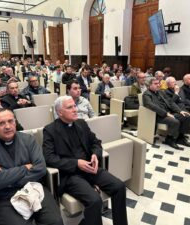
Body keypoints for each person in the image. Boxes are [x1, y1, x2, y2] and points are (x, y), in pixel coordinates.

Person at [43, 95, 128, 225]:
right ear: (60, 112)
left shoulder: (81, 123)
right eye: (70, 107)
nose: (75, 109)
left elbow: (96, 142)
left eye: (74, 106)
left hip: (90, 168)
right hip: (71, 175)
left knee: (119, 187)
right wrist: (76, 163)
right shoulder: (50, 130)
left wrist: (95, 154)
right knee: (94, 200)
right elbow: (49, 158)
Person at [0, 108, 63, 225]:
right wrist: (25, 167)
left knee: (55, 221)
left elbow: (40, 168)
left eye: (10, 121)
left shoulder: (28, 140)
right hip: (5, 197)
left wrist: (6, 175)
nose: (8, 126)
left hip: (34, 188)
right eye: (1, 123)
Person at [143, 78, 190, 150]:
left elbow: (170, 102)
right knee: (175, 122)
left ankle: (180, 137)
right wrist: (166, 113)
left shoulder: (161, 92)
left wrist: (179, 111)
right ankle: (170, 139)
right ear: (149, 85)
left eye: (158, 83)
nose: (158, 85)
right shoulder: (146, 94)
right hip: (158, 115)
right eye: (155, 84)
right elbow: (151, 105)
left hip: (169, 113)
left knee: (186, 116)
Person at [165, 77, 190, 144]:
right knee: (187, 115)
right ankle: (181, 137)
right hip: (176, 109)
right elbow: (170, 103)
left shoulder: (180, 90)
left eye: (175, 82)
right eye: (173, 82)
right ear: (168, 84)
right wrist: (176, 93)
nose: (175, 84)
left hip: (184, 106)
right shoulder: (166, 92)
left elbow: (184, 99)